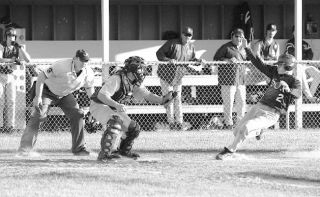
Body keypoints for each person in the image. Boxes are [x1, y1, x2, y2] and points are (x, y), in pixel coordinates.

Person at [216, 46, 302, 160]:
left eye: (280, 65)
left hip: (271, 114)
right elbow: (259, 64)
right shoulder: (274, 72)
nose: (277, 66)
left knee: (246, 127)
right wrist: (247, 49)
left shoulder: (294, 81)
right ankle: (257, 132)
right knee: (236, 131)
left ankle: (230, 150)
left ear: (287, 66)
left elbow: (298, 93)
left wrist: (288, 89)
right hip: (259, 107)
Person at [89, 56, 176, 162]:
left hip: (112, 107)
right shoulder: (117, 78)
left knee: (134, 128)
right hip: (98, 104)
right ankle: (104, 155)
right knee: (115, 122)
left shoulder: (134, 82)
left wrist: (163, 100)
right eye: (141, 68)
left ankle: (123, 151)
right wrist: (117, 105)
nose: (143, 71)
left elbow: (148, 95)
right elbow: (102, 96)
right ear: (134, 69)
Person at [18, 49, 95, 156]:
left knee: (78, 114)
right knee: (38, 115)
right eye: (82, 60)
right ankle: (24, 150)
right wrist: (38, 97)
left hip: (65, 94)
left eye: (86, 61)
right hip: (47, 91)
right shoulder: (61, 65)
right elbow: (41, 76)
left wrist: (95, 106)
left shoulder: (88, 72)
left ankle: (79, 149)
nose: (84, 63)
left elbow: (90, 90)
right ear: (75, 59)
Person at [156, 26, 203, 130]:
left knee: (177, 99)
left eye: (189, 35)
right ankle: (171, 123)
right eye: (185, 34)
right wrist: (168, 60)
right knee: (169, 100)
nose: (187, 37)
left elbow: (192, 59)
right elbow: (159, 53)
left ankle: (179, 122)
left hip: (178, 77)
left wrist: (199, 61)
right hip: (166, 76)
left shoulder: (191, 47)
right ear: (181, 34)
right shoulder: (172, 43)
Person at [213, 28, 248, 129]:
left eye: (240, 36)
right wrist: (227, 60)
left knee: (241, 102)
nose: (238, 38)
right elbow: (216, 59)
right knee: (228, 103)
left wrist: (247, 46)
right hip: (228, 81)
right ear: (232, 37)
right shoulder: (226, 47)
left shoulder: (244, 49)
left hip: (241, 80)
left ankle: (241, 123)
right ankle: (228, 124)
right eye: (236, 36)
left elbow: (250, 59)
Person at [0, 27, 31, 133]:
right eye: (9, 35)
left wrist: (20, 48)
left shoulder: (17, 47)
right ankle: (0, 125)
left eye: (13, 36)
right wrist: (13, 60)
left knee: (11, 101)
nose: (11, 37)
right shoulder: (2, 46)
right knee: (0, 101)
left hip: (11, 76)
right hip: (1, 75)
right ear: (6, 36)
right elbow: (0, 59)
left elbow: (28, 59)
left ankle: (10, 126)